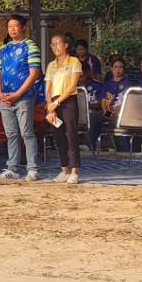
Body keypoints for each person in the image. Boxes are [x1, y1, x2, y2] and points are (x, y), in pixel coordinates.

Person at [0, 14, 43, 180]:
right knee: (11, 134)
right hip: (5, 98)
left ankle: (32, 169)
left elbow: (34, 73)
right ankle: (12, 168)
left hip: (24, 97)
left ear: (23, 28)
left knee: (26, 133)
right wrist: (0, 93)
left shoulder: (31, 46)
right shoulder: (3, 49)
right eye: (10, 26)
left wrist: (18, 94)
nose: (12, 29)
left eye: (16, 26)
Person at [44, 33, 84, 184]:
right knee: (58, 136)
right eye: (52, 44)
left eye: (57, 43)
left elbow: (72, 86)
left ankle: (74, 171)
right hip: (53, 103)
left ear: (66, 45)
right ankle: (64, 170)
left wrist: (57, 102)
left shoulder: (74, 61)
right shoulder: (51, 65)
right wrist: (51, 107)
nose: (55, 47)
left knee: (71, 135)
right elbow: (48, 88)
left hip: (68, 101)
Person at [92, 57, 141, 150]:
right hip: (109, 112)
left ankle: (115, 147)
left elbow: (129, 102)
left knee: (116, 120)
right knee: (93, 116)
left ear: (124, 69)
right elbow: (103, 101)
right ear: (111, 69)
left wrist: (118, 110)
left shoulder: (128, 84)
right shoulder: (107, 84)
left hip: (122, 114)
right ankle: (92, 145)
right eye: (115, 67)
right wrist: (106, 110)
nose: (118, 70)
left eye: (120, 67)